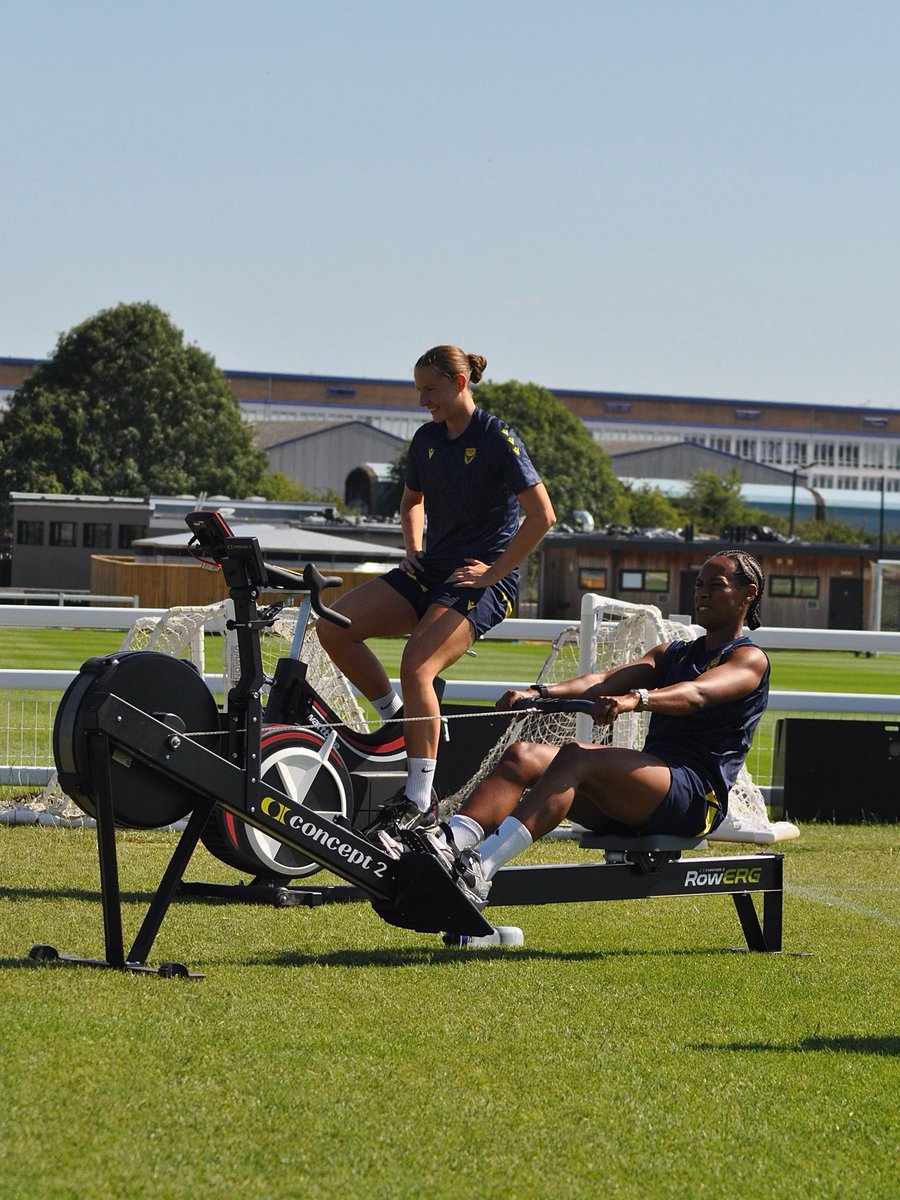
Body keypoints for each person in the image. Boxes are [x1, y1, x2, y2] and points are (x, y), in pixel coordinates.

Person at [316, 344, 555, 853]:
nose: (423, 399)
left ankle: (419, 802)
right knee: (333, 624)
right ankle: (401, 717)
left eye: (432, 389)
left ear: (460, 383)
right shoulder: (426, 441)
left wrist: (494, 572)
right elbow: (410, 503)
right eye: (419, 390)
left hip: (480, 582)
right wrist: (412, 550)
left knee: (417, 663)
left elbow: (543, 517)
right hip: (432, 570)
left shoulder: (497, 436)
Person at [434, 550, 769, 907]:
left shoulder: (749, 659)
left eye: (715, 586)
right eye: (699, 585)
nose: (702, 594)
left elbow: (697, 693)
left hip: (694, 800)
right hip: (645, 795)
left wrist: (635, 699)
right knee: (523, 756)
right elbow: (603, 680)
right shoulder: (673, 652)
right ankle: (447, 847)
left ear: (748, 594)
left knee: (577, 755)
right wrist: (539, 693)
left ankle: (478, 871)